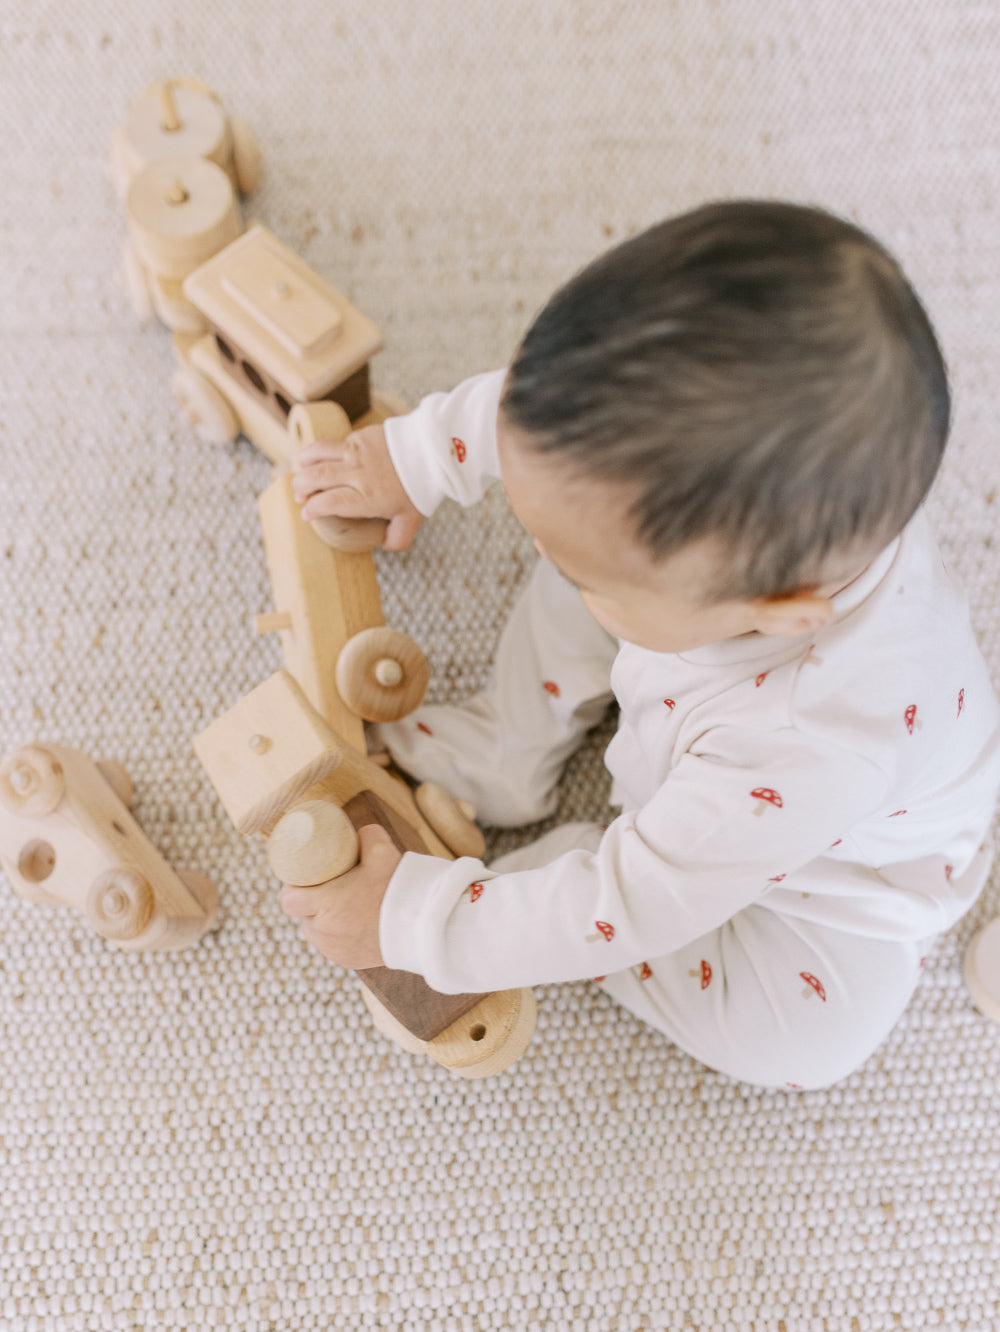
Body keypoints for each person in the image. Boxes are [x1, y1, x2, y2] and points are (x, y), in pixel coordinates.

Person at [282, 200, 1000, 1090]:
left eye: (593, 577)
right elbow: (551, 404)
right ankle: (510, 743)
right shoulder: (726, 503)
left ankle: (542, 884)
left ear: (781, 611)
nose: (539, 548)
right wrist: (420, 456)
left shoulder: (812, 741)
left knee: (810, 1042)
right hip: (703, 666)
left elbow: (625, 905)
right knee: (590, 542)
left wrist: (420, 925)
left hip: (824, 880)